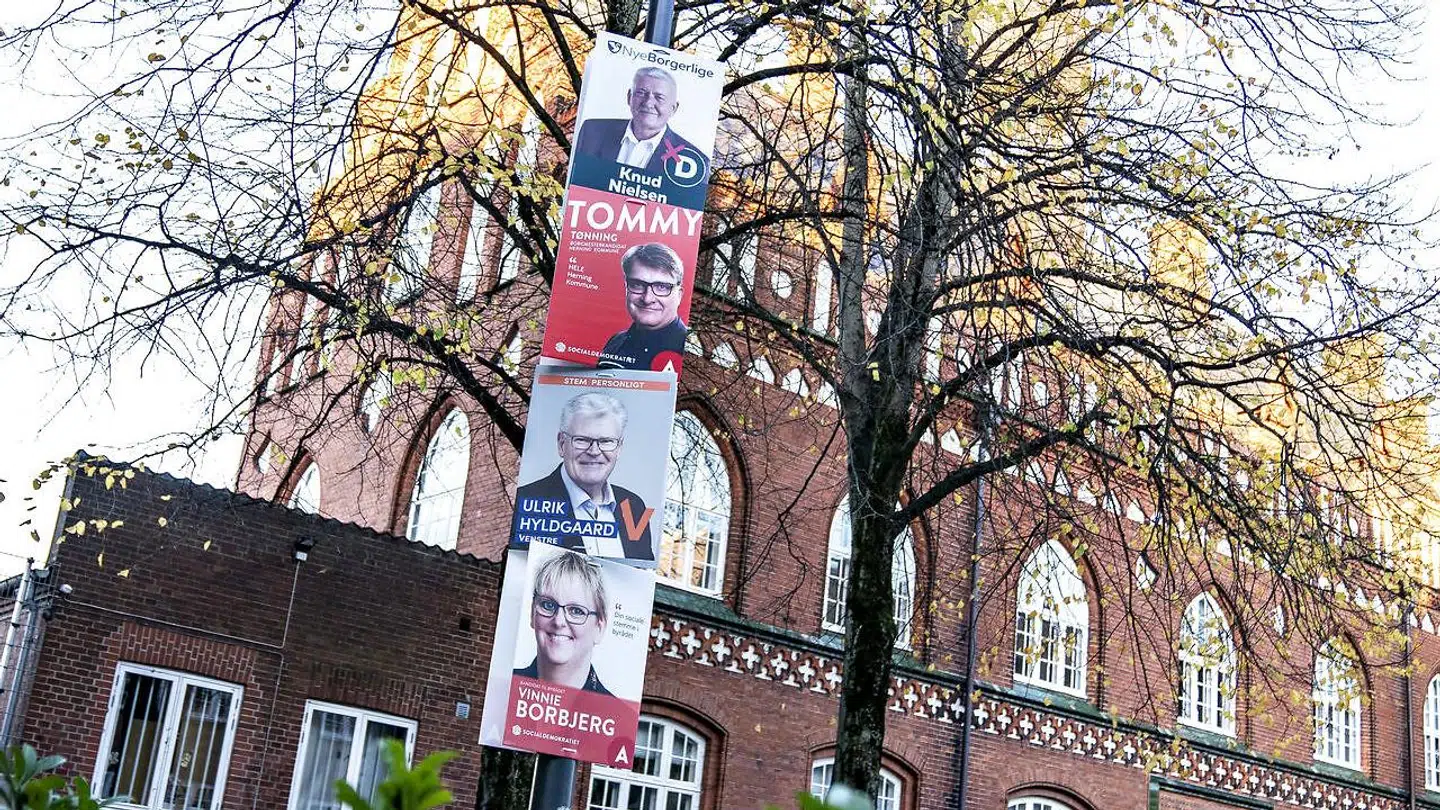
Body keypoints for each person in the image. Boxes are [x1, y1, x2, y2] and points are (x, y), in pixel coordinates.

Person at [514, 392, 655, 561]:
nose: (594, 451)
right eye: (582, 440)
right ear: (561, 444)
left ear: (619, 448)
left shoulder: (633, 507)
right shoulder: (528, 500)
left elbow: (643, 571)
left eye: (606, 441)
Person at [573, 66, 707, 174]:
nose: (648, 102)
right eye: (641, 93)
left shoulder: (692, 161)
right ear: (629, 97)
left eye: (659, 97)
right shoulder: (592, 131)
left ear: (673, 108)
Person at [514, 550, 612, 695]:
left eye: (576, 611)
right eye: (548, 605)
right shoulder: (505, 686)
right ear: (532, 613)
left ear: (599, 627)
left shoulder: (614, 709)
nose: (559, 621)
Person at [598, 243, 688, 371]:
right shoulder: (616, 342)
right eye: (638, 284)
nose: (647, 299)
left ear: (679, 295)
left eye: (661, 287)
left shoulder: (686, 349)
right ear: (626, 287)